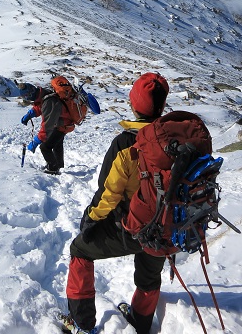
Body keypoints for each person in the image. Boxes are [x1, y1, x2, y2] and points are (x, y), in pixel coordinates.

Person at [62, 72, 170, 334]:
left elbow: (108, 194)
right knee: (149, 274)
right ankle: (140, 322)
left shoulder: (126, 144)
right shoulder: (177, 139)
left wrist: (90, 218)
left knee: (80, 249)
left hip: (135, 228)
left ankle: (81, 323)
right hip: (168, 228)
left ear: (134, 104)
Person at [20, 78, 81, 175]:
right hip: (62, 122)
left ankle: (53, 168)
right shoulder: (43, 93)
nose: (27, 99)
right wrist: (30, 113)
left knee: (45, 147)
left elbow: (47, 126)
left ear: (30, 94)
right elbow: (41, 105)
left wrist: (36, 141)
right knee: (57, 144)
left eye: (26, 97)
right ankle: (59, 165)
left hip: (62, 125)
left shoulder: (48, 101)